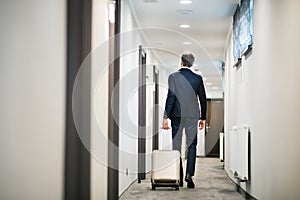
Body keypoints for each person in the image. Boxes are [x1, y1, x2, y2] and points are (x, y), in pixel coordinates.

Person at [162, 52, 207, 188]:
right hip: (192, 115)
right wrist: (203, 117)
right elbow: (202, 99)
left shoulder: (173, 77)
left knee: (176, 146)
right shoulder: (197, 78)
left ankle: (178, 176)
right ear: (192, 64)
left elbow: (171, 97)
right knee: (191, 145)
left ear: (181, 62)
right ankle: (189, 174)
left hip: (176, 115)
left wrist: (165, 116)